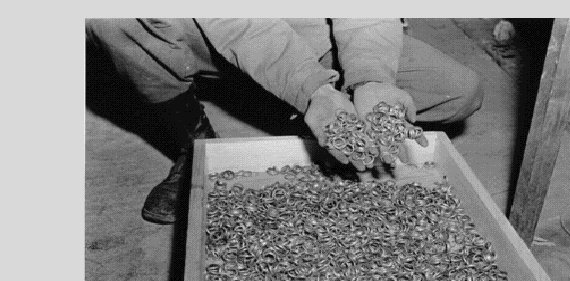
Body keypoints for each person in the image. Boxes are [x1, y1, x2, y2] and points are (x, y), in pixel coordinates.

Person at [86, 19, 484, 224]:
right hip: (205, 36)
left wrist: (372, 78)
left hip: (308, 32)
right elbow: (237, 23)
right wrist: (314, 90)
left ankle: (307, 109)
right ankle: (194, 148)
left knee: (457, 91)